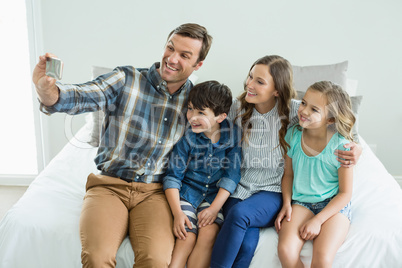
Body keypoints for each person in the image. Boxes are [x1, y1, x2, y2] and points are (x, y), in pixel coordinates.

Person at [32, 23, 212, 268]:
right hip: (109, 186)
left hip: (155, 193)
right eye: (170, 48)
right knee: (97, 258)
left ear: (197, 65)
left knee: (157, 261)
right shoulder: (126, 78)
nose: (171, 59)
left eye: (184, 55)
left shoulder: (195, 102)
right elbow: (79, 96)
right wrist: (47, 90)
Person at [210, 55, 361, 268]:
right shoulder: (236, 109)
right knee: (246, 241)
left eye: (259, 82)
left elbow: (337, 122)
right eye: (250, 77)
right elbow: (205, 115)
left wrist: (357, 148)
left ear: (277, 90)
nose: (249, 84)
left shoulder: (295, 111)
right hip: (240, 186)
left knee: (239, 215)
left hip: (272, 189)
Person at [275, 81, 355, 267]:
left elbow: (345, 193)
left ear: (330, 120)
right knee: (285, 251)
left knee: (322, 258)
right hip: (302, 202)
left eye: (314, 109)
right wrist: (287, 204)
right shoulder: (294, 135)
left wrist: (318, 221)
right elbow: (288, 175)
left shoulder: (341, 146)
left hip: (333, 204)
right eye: (303, 103)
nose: (304, 111)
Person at [163, 80, 241, 268]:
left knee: (208, 234)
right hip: (188, 194)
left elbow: (232, 176)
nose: (192, 117)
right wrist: (177, 214)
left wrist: (214, 209)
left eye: (201, 113)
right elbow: (173, 176)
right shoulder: (188, 138)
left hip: (214, 197)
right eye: (190, 109)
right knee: (186, 236)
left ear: (220, 117)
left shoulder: (232, 135)